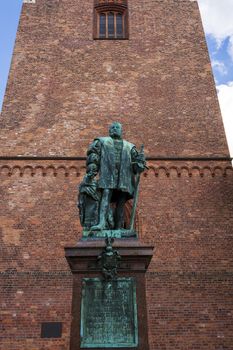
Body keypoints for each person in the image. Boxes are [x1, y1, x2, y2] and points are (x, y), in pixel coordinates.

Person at [82, 122, 146, 231]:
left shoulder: (130, 146)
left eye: (117, 127)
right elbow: (93, 157)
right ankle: (101, 223)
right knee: (106, 196)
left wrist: (140, 163)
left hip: (124, 177)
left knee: (121, 201)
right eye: (112, 127)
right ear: (109, 130)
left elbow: (136, 166)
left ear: (121, 131)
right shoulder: (101, 141)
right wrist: (91, 171)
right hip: (108, 174)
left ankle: (118, 227)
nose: (114, 129)